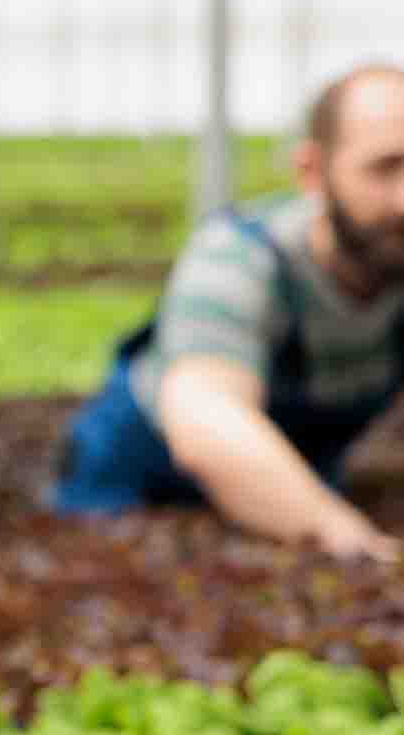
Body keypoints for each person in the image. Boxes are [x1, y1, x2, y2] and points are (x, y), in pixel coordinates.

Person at [55, 63, 404, 559]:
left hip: (290, 491)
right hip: (135, 496)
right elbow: (206, 420)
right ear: (313, 172)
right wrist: (340, 533)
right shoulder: (239, 260)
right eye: (384, 168)